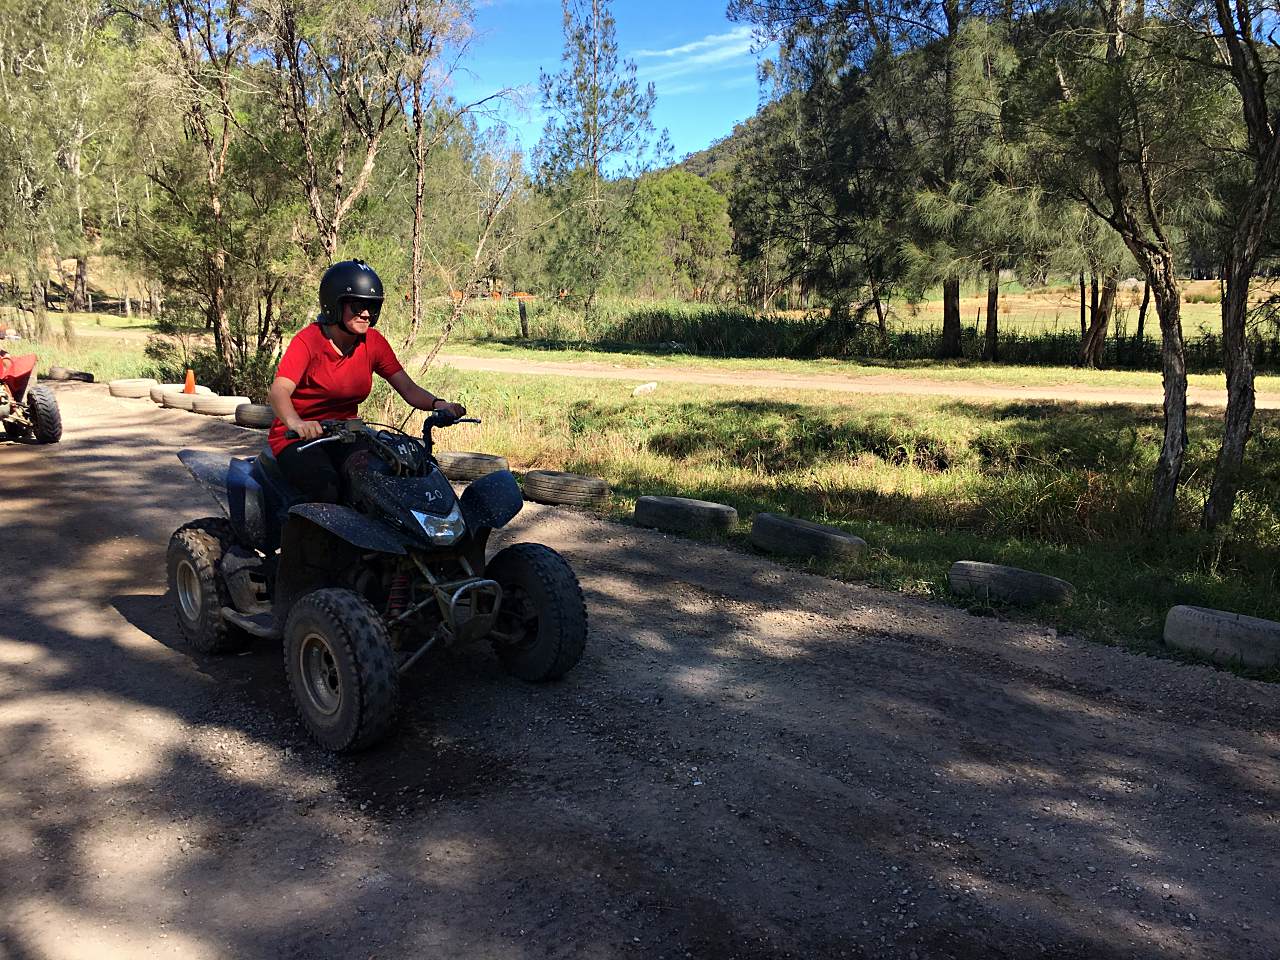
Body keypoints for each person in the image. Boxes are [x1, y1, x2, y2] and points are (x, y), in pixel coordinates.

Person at [267, 259, 465, 503]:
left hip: (346, 435)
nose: (366, 313)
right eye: (358, 305)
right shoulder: (309, 341)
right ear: (334, 305)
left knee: (383, 479)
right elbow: (279, 391)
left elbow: (409, 388)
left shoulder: (373, 342)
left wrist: (439, 404)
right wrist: (296, 423)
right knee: (326, 489)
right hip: (299, 439)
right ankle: (308, 541)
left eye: (372, 307)